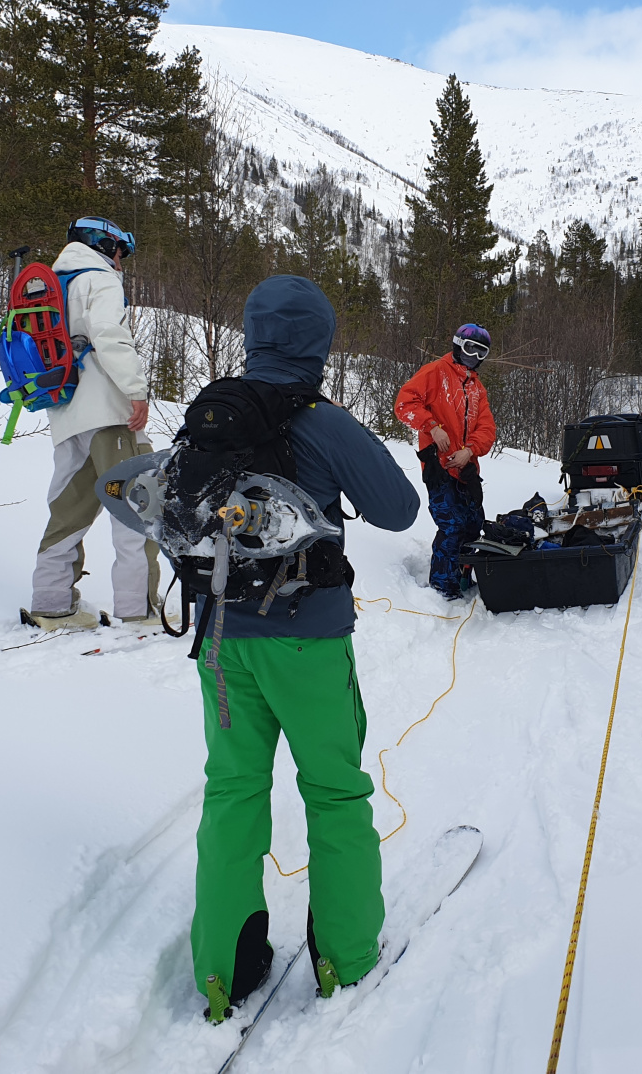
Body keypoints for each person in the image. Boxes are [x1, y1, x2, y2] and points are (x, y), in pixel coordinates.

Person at [188, 275, 420, 1022]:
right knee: (333, 790)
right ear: (319, 342)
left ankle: (223, 967)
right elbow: (398, 506)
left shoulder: (210, 413)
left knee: (231, 794)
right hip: (307, 641)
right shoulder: (319, 419)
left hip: (221, 639)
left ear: (253, 332)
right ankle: (345, 957)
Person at [22, 217, 162, 630]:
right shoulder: (99, 280)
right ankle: (139, 610)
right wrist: (136, 390)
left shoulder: (48, 284)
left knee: (69, 510)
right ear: (108, 246)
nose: (123, 262)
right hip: (109, 413)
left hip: (65, 412)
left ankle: (51, 601)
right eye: (122, 252)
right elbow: (109, 335)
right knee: (137, 504)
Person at [395, 324, 497, 598]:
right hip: (438, 467)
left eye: (480, 352)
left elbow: (487, 429)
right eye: (469, 349)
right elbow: (404, 404)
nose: (473, 356)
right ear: (457, 345)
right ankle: (442, 587)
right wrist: (432, 426)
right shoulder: (435, 372)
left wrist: (470, 450)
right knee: (451, 525)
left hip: (466, 469)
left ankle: (462, 577)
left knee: (474, 524)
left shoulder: (477, 388)